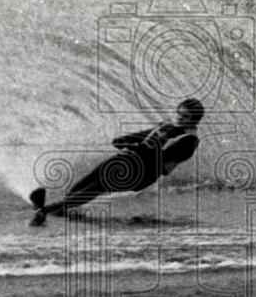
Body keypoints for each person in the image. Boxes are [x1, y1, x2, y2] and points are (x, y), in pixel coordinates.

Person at [28, 97, 205, 226]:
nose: (179, 117)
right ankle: (54, 212)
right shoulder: (169, 125)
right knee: (82, 185)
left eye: (185, 116)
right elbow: (146, 135)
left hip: (142, 172)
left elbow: (160, 160)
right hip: (126, 160)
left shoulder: (189, 140)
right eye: (179, 113)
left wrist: (135, 147)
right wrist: (124, 140)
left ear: (194, 120)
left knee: (98, 187)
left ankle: (45, 210)